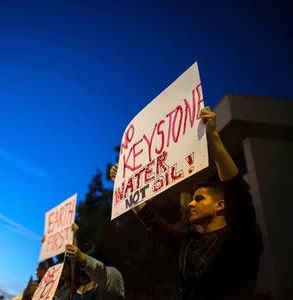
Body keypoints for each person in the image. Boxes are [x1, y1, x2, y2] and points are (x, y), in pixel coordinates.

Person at [110, 107, 263, 299]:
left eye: (199, 199)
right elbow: (155, 223)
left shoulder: (241, 236)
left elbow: (237, 192)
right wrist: (124, 187)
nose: (190, 204)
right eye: (192, 199)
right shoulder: (188, 245)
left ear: (221, 205)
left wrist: (213, 137)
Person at [65, 224, 125, 300]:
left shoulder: (113, 275)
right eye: (81, 265)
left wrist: (82, 258)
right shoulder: (77, 287)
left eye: (82, 264)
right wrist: (74, 236)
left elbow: (99, 270)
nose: (82, 267)